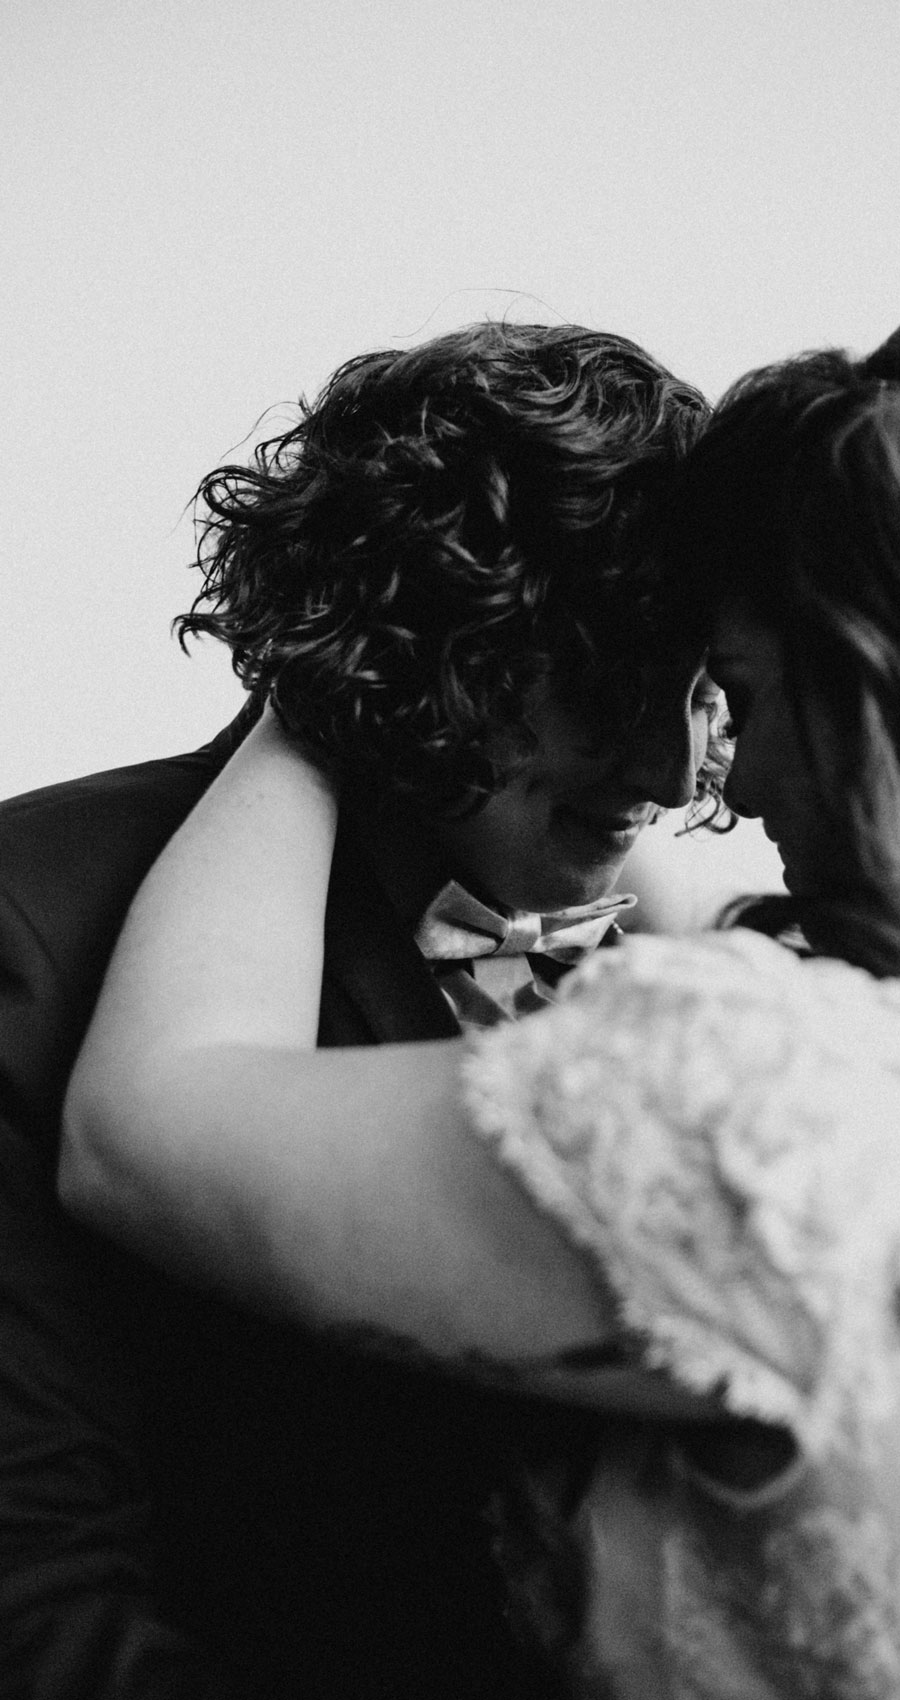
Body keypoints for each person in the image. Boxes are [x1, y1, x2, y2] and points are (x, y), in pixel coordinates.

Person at [63, 307, 900, 1697]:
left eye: (727, 694)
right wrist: (384, 652)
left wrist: (322, 677)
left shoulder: (789, 1106)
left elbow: (150, 1119)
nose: (711, 784)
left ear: (879, 698)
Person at [0, 320, 721, 1699]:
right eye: (603, 676)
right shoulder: (32, 922)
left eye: (700, 684)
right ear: (427, 637)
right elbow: (38, 1602)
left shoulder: (727, 975)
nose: (672, 767)